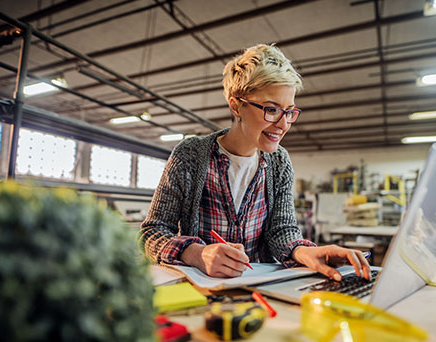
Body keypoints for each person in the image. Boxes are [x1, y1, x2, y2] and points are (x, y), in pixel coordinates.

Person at [140, 44, 370, 281]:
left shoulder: (279, 162)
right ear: (236, 105)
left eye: (289, 111)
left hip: (258, 292)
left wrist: (306, 252)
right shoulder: (190, 156)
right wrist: (196, 253)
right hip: (200, 293)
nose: (283, 125)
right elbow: (151, 233)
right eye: (271, 109)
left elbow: (282, 230)